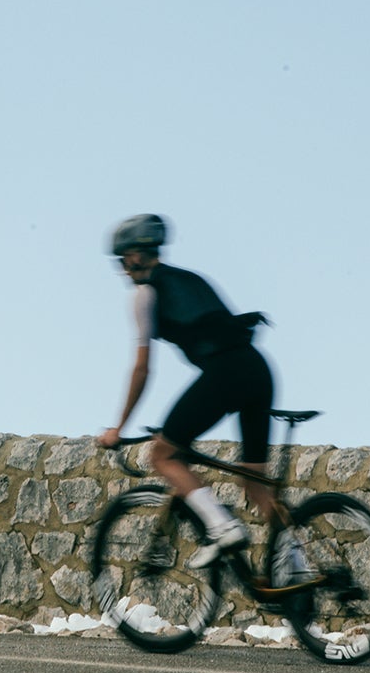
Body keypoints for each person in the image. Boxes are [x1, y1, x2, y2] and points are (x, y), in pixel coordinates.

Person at [94, 213, 278, 568]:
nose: (124, 269)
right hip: (258, 369)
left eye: (124, 259)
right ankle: (301, 569)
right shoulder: (191, 278)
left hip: (226, 373)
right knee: (255, 484)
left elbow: (142, 367)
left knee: (163, 455)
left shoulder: (146, 294)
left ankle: (222, 527)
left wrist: (119, 428)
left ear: (138, 253)